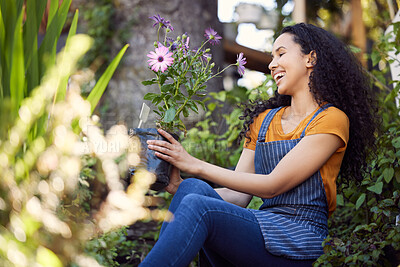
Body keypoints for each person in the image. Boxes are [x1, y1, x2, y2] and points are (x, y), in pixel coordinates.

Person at [140, 23, 377, 266]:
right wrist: (179, 184)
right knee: (192, 190)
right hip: (263, 229)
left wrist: (194, 164)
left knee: (198, 203)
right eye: (272, 57)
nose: (272, 64)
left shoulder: (331, 119)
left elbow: (272, 186)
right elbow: (237, 195)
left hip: (300, 238)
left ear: (310, 58)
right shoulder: (263, 122)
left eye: (281, 54)